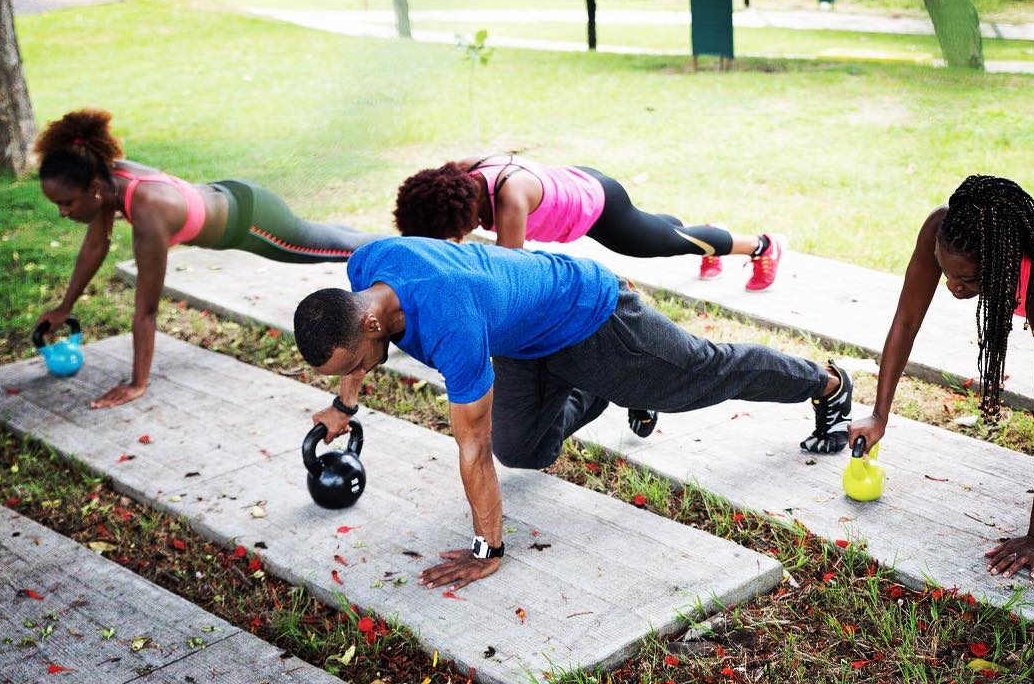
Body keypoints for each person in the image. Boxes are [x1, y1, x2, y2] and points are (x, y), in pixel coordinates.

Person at [293, 237, 853, 589]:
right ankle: (612, 387)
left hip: (592, 313)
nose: (362, 366)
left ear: (369, 323)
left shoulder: (451, 326)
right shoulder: (366, 270)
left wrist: (488, 548)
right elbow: (356, 348)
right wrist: (345, 403)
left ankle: (825, 383)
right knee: (525, 449)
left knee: (700, 375)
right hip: (525, 335)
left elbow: (471, 448)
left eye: (356, 361)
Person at [33, 109, 384, 409]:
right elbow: (95, 247)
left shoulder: (148, 213)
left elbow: (147, 310)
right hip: (232, 196)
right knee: (329, 236)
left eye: (67, 203)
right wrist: (65, 307)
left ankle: (412, 249)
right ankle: (401, 242)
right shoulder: (107, 176)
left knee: (338, 249)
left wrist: (137, 383)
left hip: (253, 223)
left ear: (93, 188)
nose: (63, 212)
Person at [848, 175, 1034, 580]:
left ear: (1003, 264)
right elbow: (907, 320)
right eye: (946, 272)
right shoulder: (945, 228)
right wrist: (879, 414)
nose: (951, 286)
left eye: (967, 281)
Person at [394, 154, 786, 290]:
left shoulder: (511, 202)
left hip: (598, 209)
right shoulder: (464, 174)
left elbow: (508, 274)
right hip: (575, 180)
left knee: (665, 243)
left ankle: (761, 245)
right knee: (657, 230)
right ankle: (707, 234)